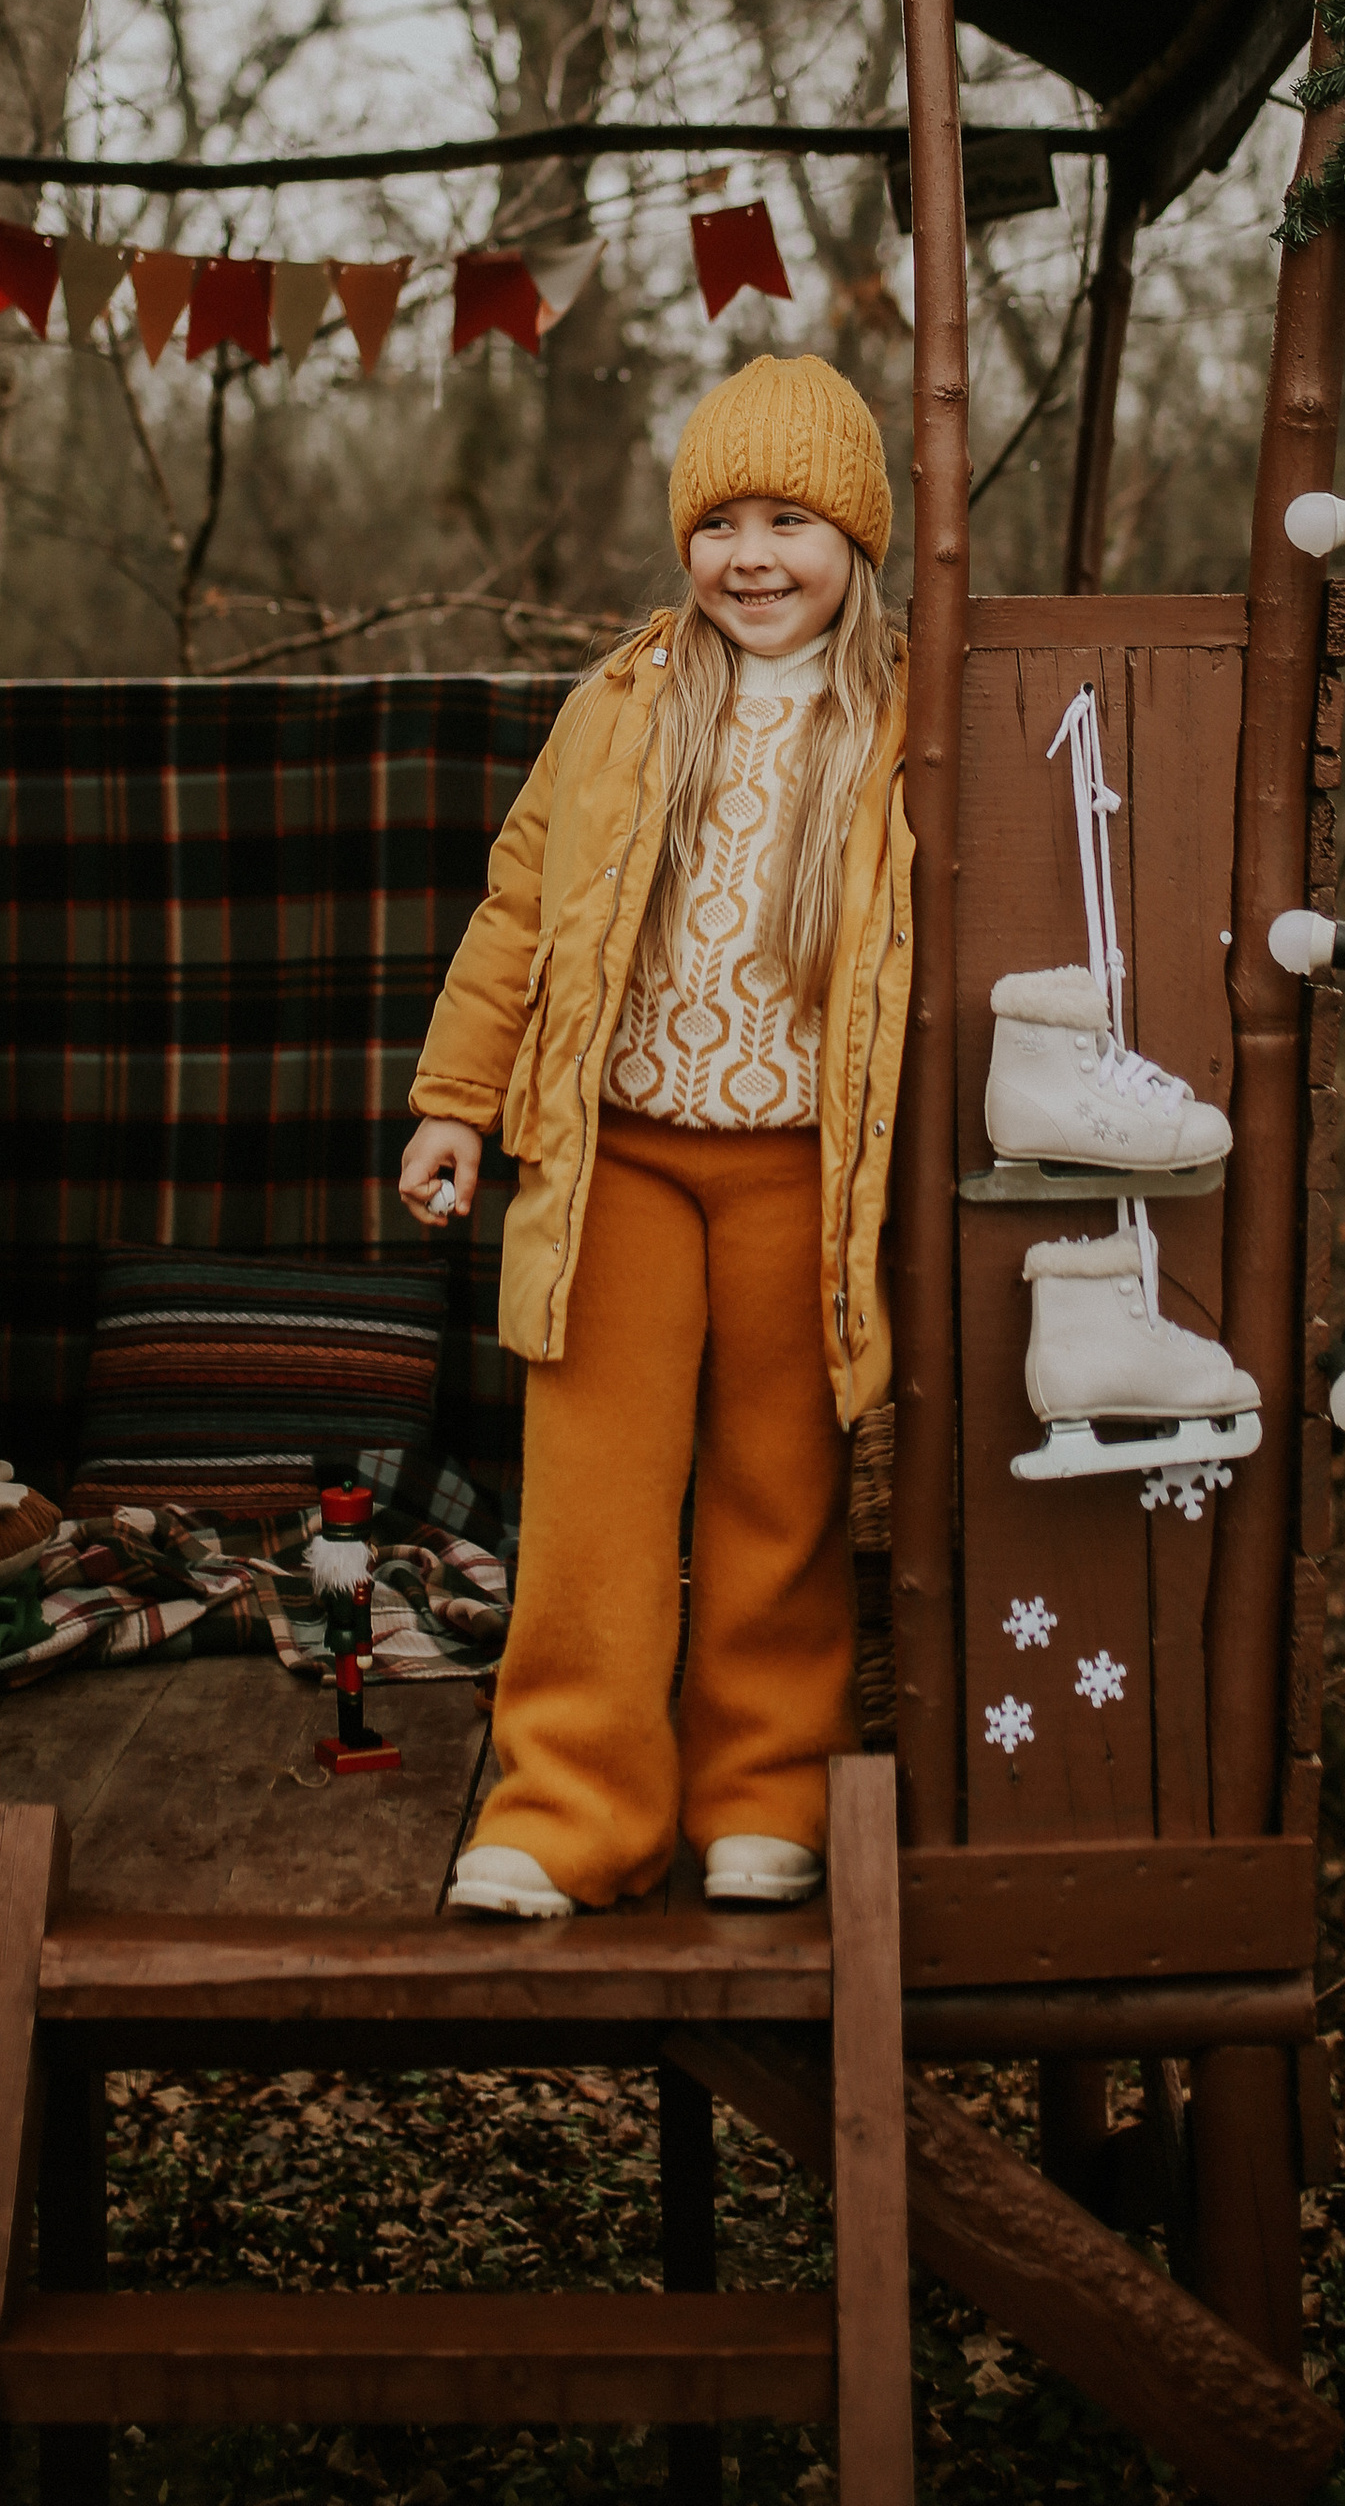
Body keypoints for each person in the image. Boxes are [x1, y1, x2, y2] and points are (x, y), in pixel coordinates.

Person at [398, 352, 912, 1916]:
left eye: (792, 521)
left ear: (858, 544)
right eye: (722, 522)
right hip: (615, 1154)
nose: (753, 556)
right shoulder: (624, 701)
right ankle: (569, 1809)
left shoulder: (906, 719)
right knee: (596, 1495)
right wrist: (454, 1105)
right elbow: (515, 908)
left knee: (779, 1485)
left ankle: (764, 1795)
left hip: (799, 1169)